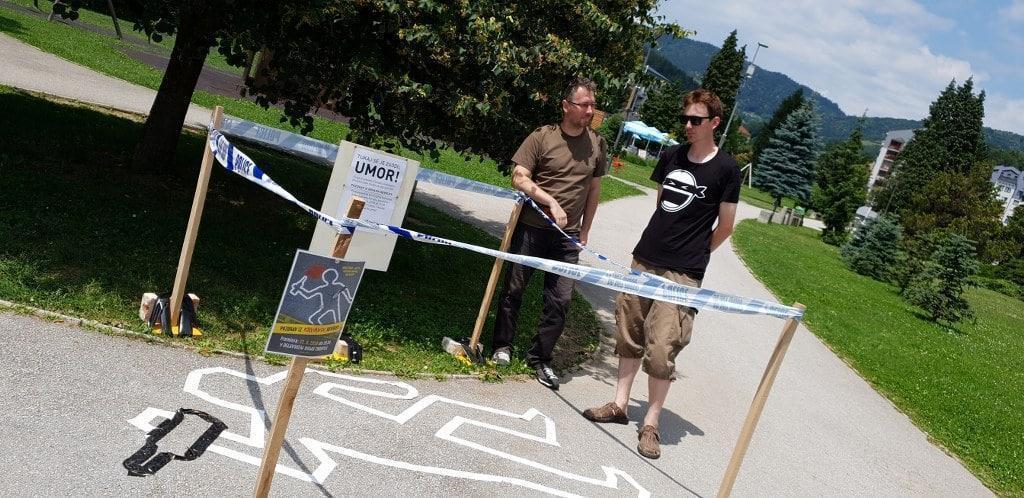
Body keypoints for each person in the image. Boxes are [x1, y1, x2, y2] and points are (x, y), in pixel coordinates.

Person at [582, 88, 740, 459]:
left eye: (696, 120)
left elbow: (726, 225)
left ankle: (650, 423)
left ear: (715, 123)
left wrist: (697, 251)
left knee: (661, 347)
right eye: (685, 119)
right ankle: (620, 404)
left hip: (683, 272)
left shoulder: (727, 169)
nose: (688, 125)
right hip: (646, 257)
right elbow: (662, 206)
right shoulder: (670, 156)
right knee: (629, 331)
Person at [490, 77, 608, 390]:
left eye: (593, 105)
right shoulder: (542, 137)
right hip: (532, 229)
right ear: (566, 106)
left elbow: (594, 190)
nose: (590, 111)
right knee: (513, 290)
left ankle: (540, 358)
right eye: (584, 105)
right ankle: (502, 347)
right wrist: (550, 201)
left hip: (567, 238)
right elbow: (519, 178)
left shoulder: (597, 143)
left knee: (560, 300)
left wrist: (585, 230)